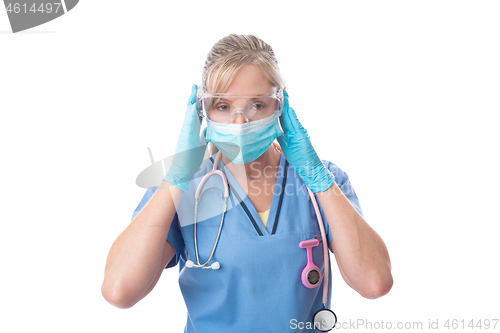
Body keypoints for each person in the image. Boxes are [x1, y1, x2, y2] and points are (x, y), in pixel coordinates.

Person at [101, 34, 393, 332]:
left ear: (280, 105)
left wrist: (317, 176)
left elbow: (374, 282)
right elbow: (119, 291)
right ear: (202, 112)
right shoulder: (183, 191)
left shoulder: (322, 182)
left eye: (256, 105)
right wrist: (177, 176)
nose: (240, 123)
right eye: (223, 106)